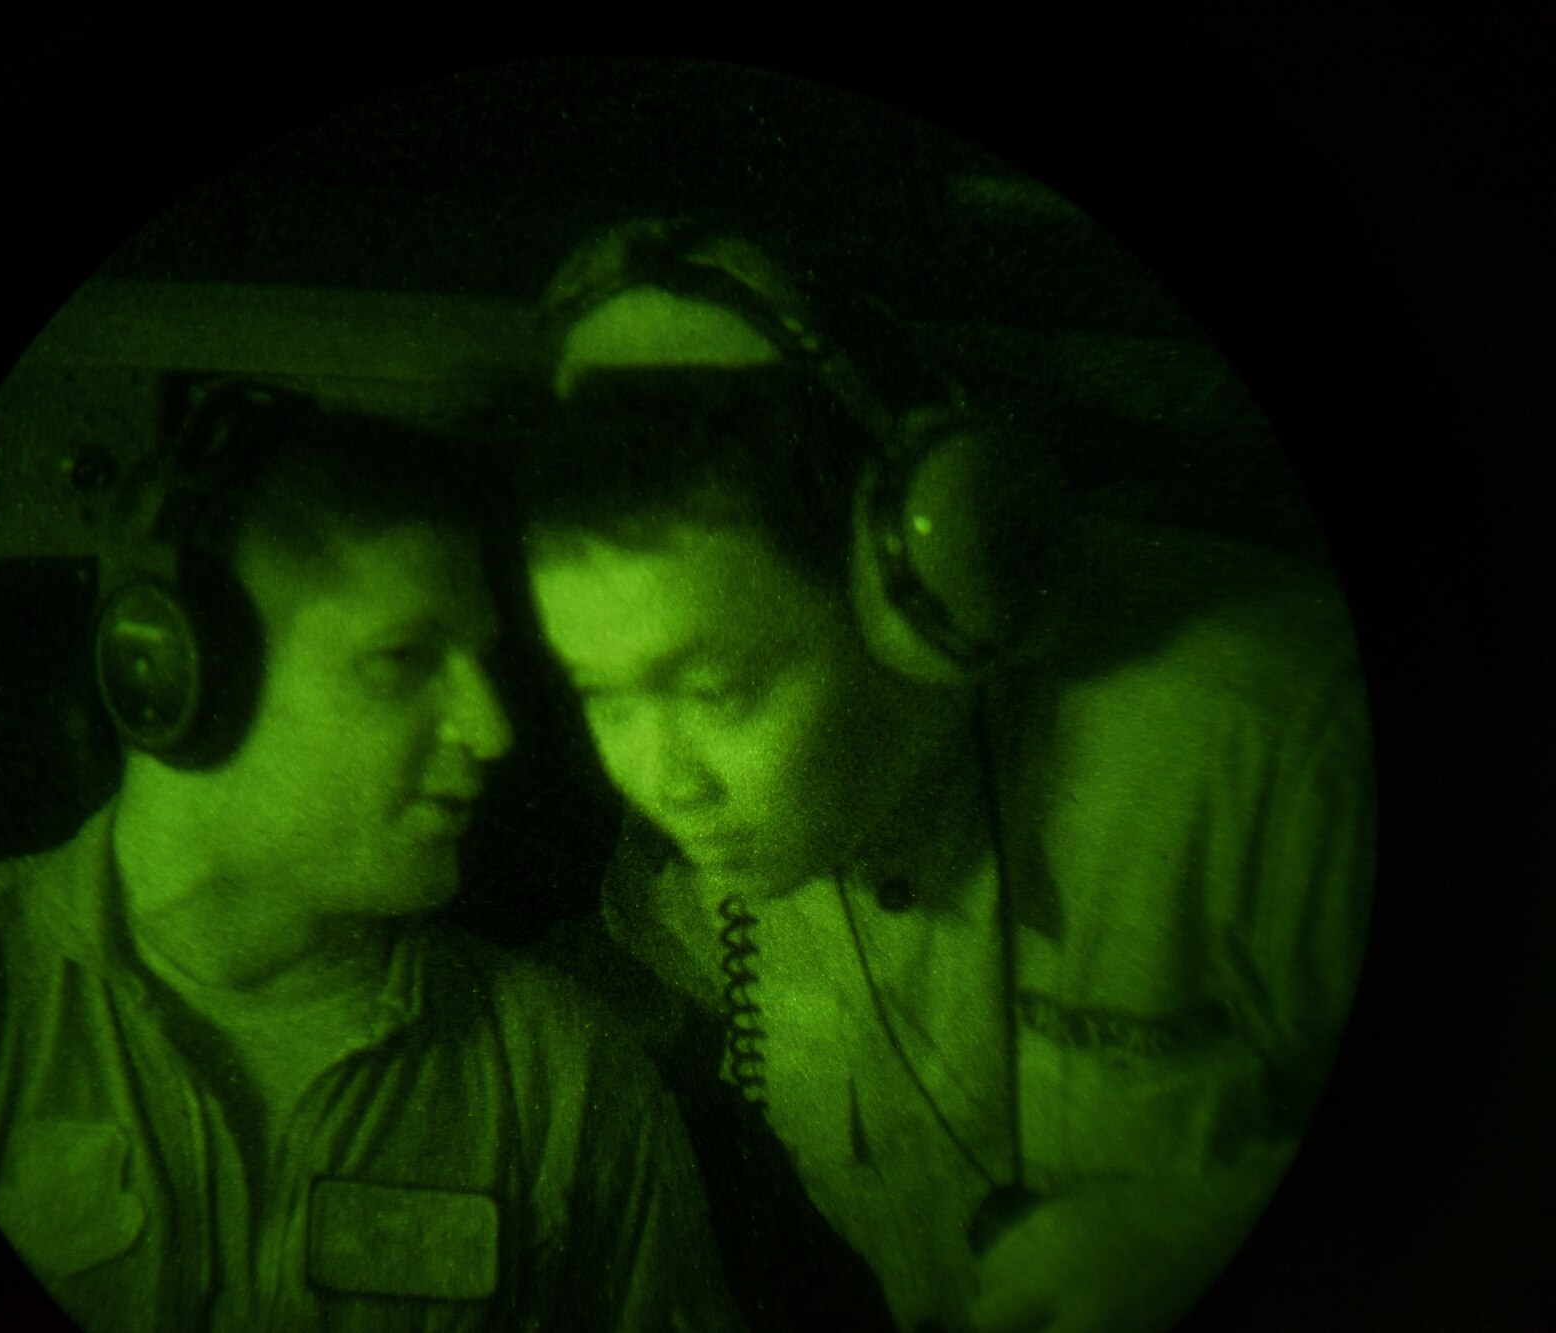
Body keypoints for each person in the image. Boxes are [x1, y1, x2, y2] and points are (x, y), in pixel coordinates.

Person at [514, 221, 1374, 1333]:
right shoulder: (710, 859)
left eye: (716, 692)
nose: (661, 781)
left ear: (916, 602)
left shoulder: (1275, 737)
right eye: (603, 696)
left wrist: (1224, 1224)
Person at [0, 380, 747, 1332]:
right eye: (405, 659)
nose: (491, 727)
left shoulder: (564, 1082)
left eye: (483, 663)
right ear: (170, 670)